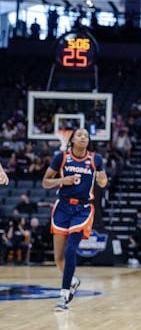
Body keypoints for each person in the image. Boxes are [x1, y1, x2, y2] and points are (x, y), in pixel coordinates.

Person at [42, 128, 108, 310]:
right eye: (80, 135)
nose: (83, 138)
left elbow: (103, 182)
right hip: (62, 207)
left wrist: (102, 178)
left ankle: (63, 296)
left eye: (86, 136)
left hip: (83, 209)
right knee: (58, 257)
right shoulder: (61, 157)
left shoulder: (96, 159)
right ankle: (72, 280)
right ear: (72, 139)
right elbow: (45, 182)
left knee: (71, 250)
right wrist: (62, 181)